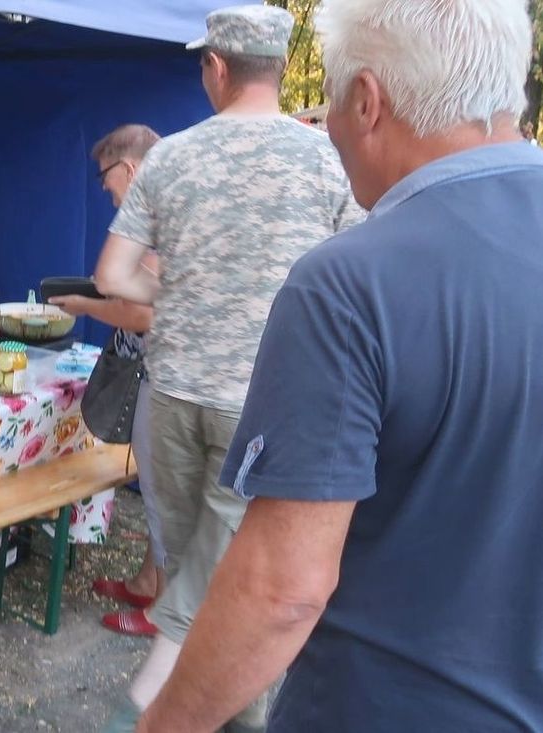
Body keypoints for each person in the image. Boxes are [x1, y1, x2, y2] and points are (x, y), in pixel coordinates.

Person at [134, 1, 543, 731]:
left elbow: (282, 588)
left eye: (329, 94)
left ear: (366, 101)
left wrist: (164, 721)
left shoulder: (350, 284)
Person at [93, 5, 362, 731]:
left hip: (177, 393)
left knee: (196, 566)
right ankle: (230, 711)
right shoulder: (327, 159)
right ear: (276, 67)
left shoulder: (172, 156)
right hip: (270, 404)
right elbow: (359, 277)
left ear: (215, 67)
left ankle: (156, 702)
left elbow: (114, 275)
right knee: (226, 578)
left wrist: (178, 289)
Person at [49, 124, 165, 636]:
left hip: (162, 375)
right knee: (156, 482)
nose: (103, 188)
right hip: (152, 371)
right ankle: (146, 583)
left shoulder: (157, 220)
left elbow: (145, 317)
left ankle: (164, 611)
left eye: (106, 176)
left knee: (162, 491)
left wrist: (84, 307)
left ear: (131, 169)